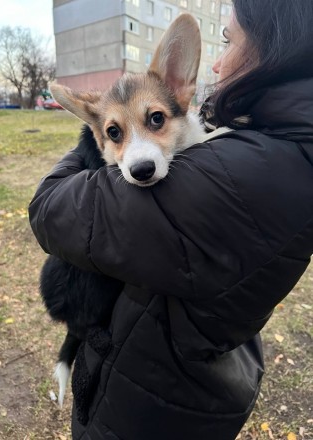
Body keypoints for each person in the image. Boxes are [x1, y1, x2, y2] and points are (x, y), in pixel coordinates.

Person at [29, 1, 313, 439]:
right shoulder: (271, 139)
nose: (139, 157)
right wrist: (99, 124)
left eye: (155, 120)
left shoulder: (238, 174)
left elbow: (48, 208)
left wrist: (102, 131)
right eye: (117, 134)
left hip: (157, 398)